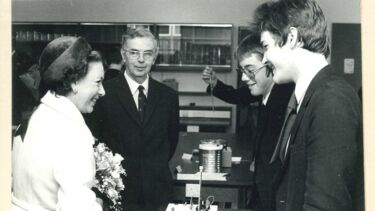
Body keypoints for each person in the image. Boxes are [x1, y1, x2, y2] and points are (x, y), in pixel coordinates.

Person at [253, 0, 364, 210]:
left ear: (292, 38)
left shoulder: (332, 100)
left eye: (266, 46)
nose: (265, 58)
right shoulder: (310, 95)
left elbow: (325, 205)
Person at [85, 28, 180, 211]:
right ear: (123, 54)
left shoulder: (168, 96)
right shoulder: (103, 94)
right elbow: (95, 144)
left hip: (158, 193)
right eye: (134, 53)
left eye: (147, 53)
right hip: (118, 194)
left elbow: (171, 141)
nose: (141, 60)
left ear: (155, 56)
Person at [12, 36, 105, 211]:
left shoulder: (36, 116)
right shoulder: (73, 132)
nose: (103, 91)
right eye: (98, 82)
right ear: (74, 82)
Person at [203, 34, 294, 211]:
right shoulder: (267, 90)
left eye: (250, 70)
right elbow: (239, 95)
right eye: (242, 71)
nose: (244, 78)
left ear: (270, 64)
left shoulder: (284, 97)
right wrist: (215, 84)